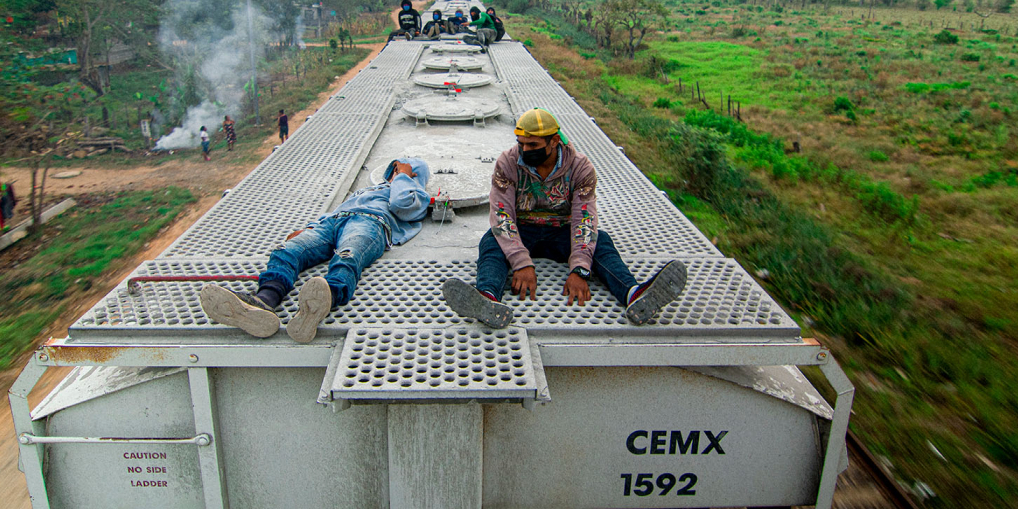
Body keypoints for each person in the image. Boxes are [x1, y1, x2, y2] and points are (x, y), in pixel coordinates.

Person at [441, 108, 687, 327]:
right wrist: (521, 263)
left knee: (601, 242)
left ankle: (634, 295)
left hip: (563, 232)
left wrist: (580, 269)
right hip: (522, 230)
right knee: (491, 242)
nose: (525, 150)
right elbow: (502, 215)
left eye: (533, 146)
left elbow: (584, 219)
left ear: (554, 141)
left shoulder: (580, 168)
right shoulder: (508, 162)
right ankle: (487, 298)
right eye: (521, 144)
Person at [200, 157, 432, 342]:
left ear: (413, 176)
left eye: (399, 170)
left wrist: (405, 177)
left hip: (370, 223)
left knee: (349, 255)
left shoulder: (416, 195)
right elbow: (339, 209)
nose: (393, 174)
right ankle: (263, 302)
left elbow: (400, 205)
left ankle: (320, 304)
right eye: (393, 170)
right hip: (333, 222)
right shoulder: (366, 191)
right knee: (288, 250)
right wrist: (309, 228)